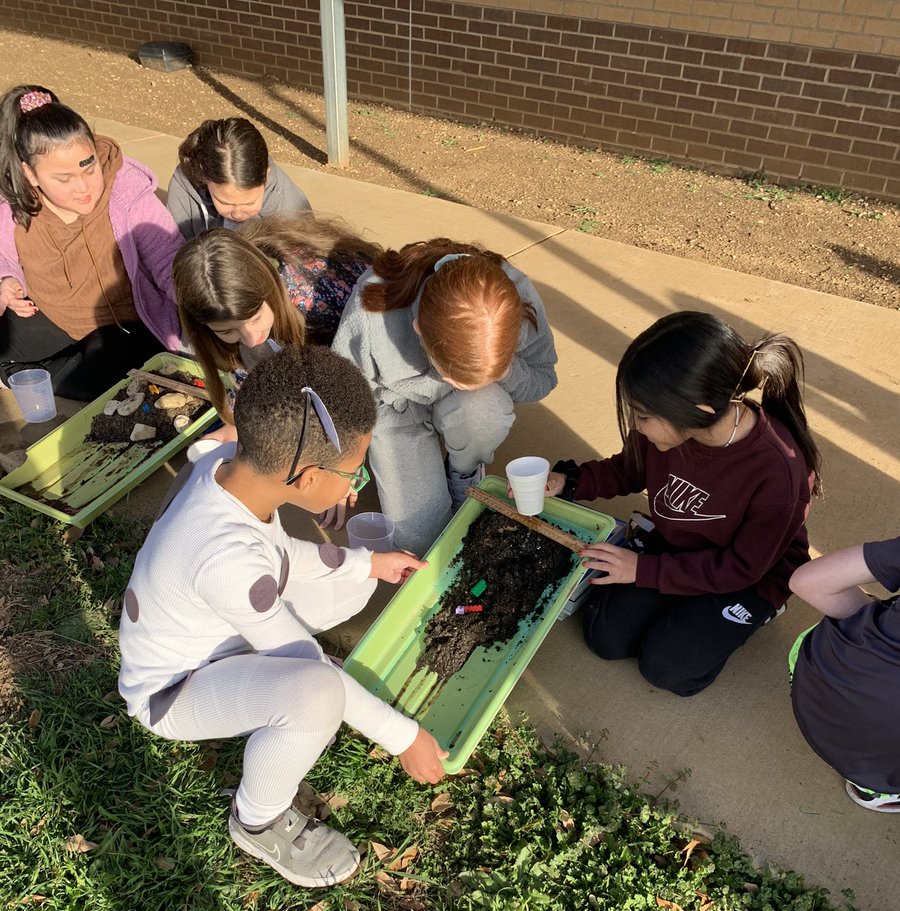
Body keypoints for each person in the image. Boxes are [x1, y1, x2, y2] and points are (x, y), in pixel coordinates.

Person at [118, 344, 447, 888]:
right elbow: (313, 668)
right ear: (309, 479)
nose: (354, 489)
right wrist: (403, 737)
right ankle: (257, 820)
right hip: (172, 691)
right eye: (354, 476)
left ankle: (270, 681)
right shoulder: (226, 560)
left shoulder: (226, 467)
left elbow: (278, 558)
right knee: (314, 694)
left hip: (216, 631)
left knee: (345, 589)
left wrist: (369, 564)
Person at [547, 310, 821, 696]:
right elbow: (629, 469)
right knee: (604, 638)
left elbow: (740, 567)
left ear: (699, 411)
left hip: (748, 574)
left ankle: (761, 610)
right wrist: (568, 482)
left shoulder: (778, 471)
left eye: (642, 416)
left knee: (667, 669)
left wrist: (643, 570)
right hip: (677, 545)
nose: (636, 426)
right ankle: (678, 603)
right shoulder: (673, 427)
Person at [331, 238, 558, 555]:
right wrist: (342, 466)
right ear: (418, 329)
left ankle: (463, 470)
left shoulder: (517, 294)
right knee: (423, 543)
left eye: (475, 380)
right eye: (454, 376)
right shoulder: (375, 302)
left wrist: (505, 371)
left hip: (462, 409)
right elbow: (344, 393)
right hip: (396, 409)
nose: (462, 385)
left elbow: (543, 378)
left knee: (485, 409)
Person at [0, 84, 183, 402]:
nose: (83, 187)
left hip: (120, 323)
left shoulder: (125, 188)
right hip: (50, 314)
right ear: (30, 174)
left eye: (89, 166)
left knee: (124, 379)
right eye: (64, 179)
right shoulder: (13, 199)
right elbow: (3, 252)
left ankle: (25, 375)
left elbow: (169, 257)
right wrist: (7, 278)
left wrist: (202, 305)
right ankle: (36, 371)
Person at [173, 219, 379, 425]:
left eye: (255, 318)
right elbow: (249, 374)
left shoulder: (322, 288)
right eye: (227, 332)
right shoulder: (230, 327)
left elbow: (376, 358)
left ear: (271, 290)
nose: (252, 339)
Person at [789, 539, 900, 812]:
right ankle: (877, 790)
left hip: (814, 681)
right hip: (871, 759)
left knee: (855, 621)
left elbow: (806, 582)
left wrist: (868, 617)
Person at [167, 117, 311, 240]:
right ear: (205, 179)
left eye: (249, 203)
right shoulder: (183, 185)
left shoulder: (290, 208)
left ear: (266, 176)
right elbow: (174, 249)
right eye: (225, 202)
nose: (237, 214)